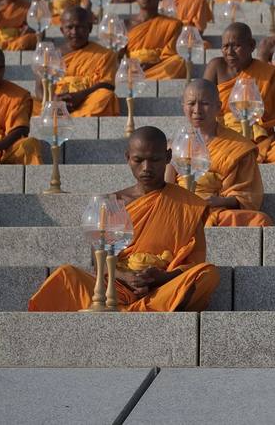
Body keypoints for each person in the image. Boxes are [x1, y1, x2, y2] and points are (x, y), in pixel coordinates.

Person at [28, 126, 220, 312]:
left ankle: (143, 308)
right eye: (138, 160)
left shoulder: (188, 205)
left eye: (154, 160)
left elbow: (193, 263)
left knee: (207, 274)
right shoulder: (112, 203)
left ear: (168, 158)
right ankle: (142, 309)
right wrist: (125, 276)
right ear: (128, 158)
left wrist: (161, 277)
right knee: (66, 275)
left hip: (162, 288)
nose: (146, 168)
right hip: (115, 285)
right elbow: (99, 262)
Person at [168, 79, 271, 226]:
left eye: (205, 103)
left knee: (260, 221)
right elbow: (165, 188)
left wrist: (219, 201)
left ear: (218, 107)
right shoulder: (176, 145)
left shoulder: (238, 146)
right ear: (183, 106)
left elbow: (248, 195)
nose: (197, 110)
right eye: (191, 103)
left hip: (216, 208)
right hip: (180, 208)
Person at [204, 22, 275, 164]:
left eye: (236, 46)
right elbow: (203, 104)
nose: (229, 52)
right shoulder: (216, 67)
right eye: (225, 46)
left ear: (252, 46)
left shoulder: (269, 73)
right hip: (225, 137)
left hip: (260, 138)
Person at [53, 6, 119, 117]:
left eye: (80, 27)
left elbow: (107, 84)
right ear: (62, 30)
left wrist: (81, 95)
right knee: (29, 102)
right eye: (69, 27)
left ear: (90, 28)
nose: (74, 32)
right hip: (57, 100)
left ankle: (75, 116)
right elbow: (40, 88)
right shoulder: (51, 55)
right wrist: (53, 99)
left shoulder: (105, 54)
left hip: (87, 98)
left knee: (106, 95)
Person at [124, 0, 188, 80]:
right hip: (131, 68)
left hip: (157, 67)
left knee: (179, 62)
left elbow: (170, 53)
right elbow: (118, 55)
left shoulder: (173, 24)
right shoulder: (125, 24)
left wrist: (152, 63)